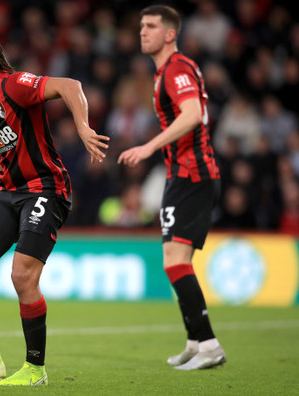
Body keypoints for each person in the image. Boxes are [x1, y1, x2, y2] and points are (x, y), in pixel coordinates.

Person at [0, 25, 109, 386]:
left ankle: (35, 370)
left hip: (46, 188)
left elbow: (70, 85)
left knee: (22, 275)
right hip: (10, 191)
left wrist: (82, 127)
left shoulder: (14, 84)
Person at [118, 5, 226, 370]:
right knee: (174, 261)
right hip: (181, 174)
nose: (142, 31)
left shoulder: (176, 68)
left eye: (150, 26)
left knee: (175, 262)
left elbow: (192, 113)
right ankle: (196, 341)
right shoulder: (167, 70)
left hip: (192, 175)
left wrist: (149, 146)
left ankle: (209, 344)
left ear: (169, 33)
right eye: (140, 25)